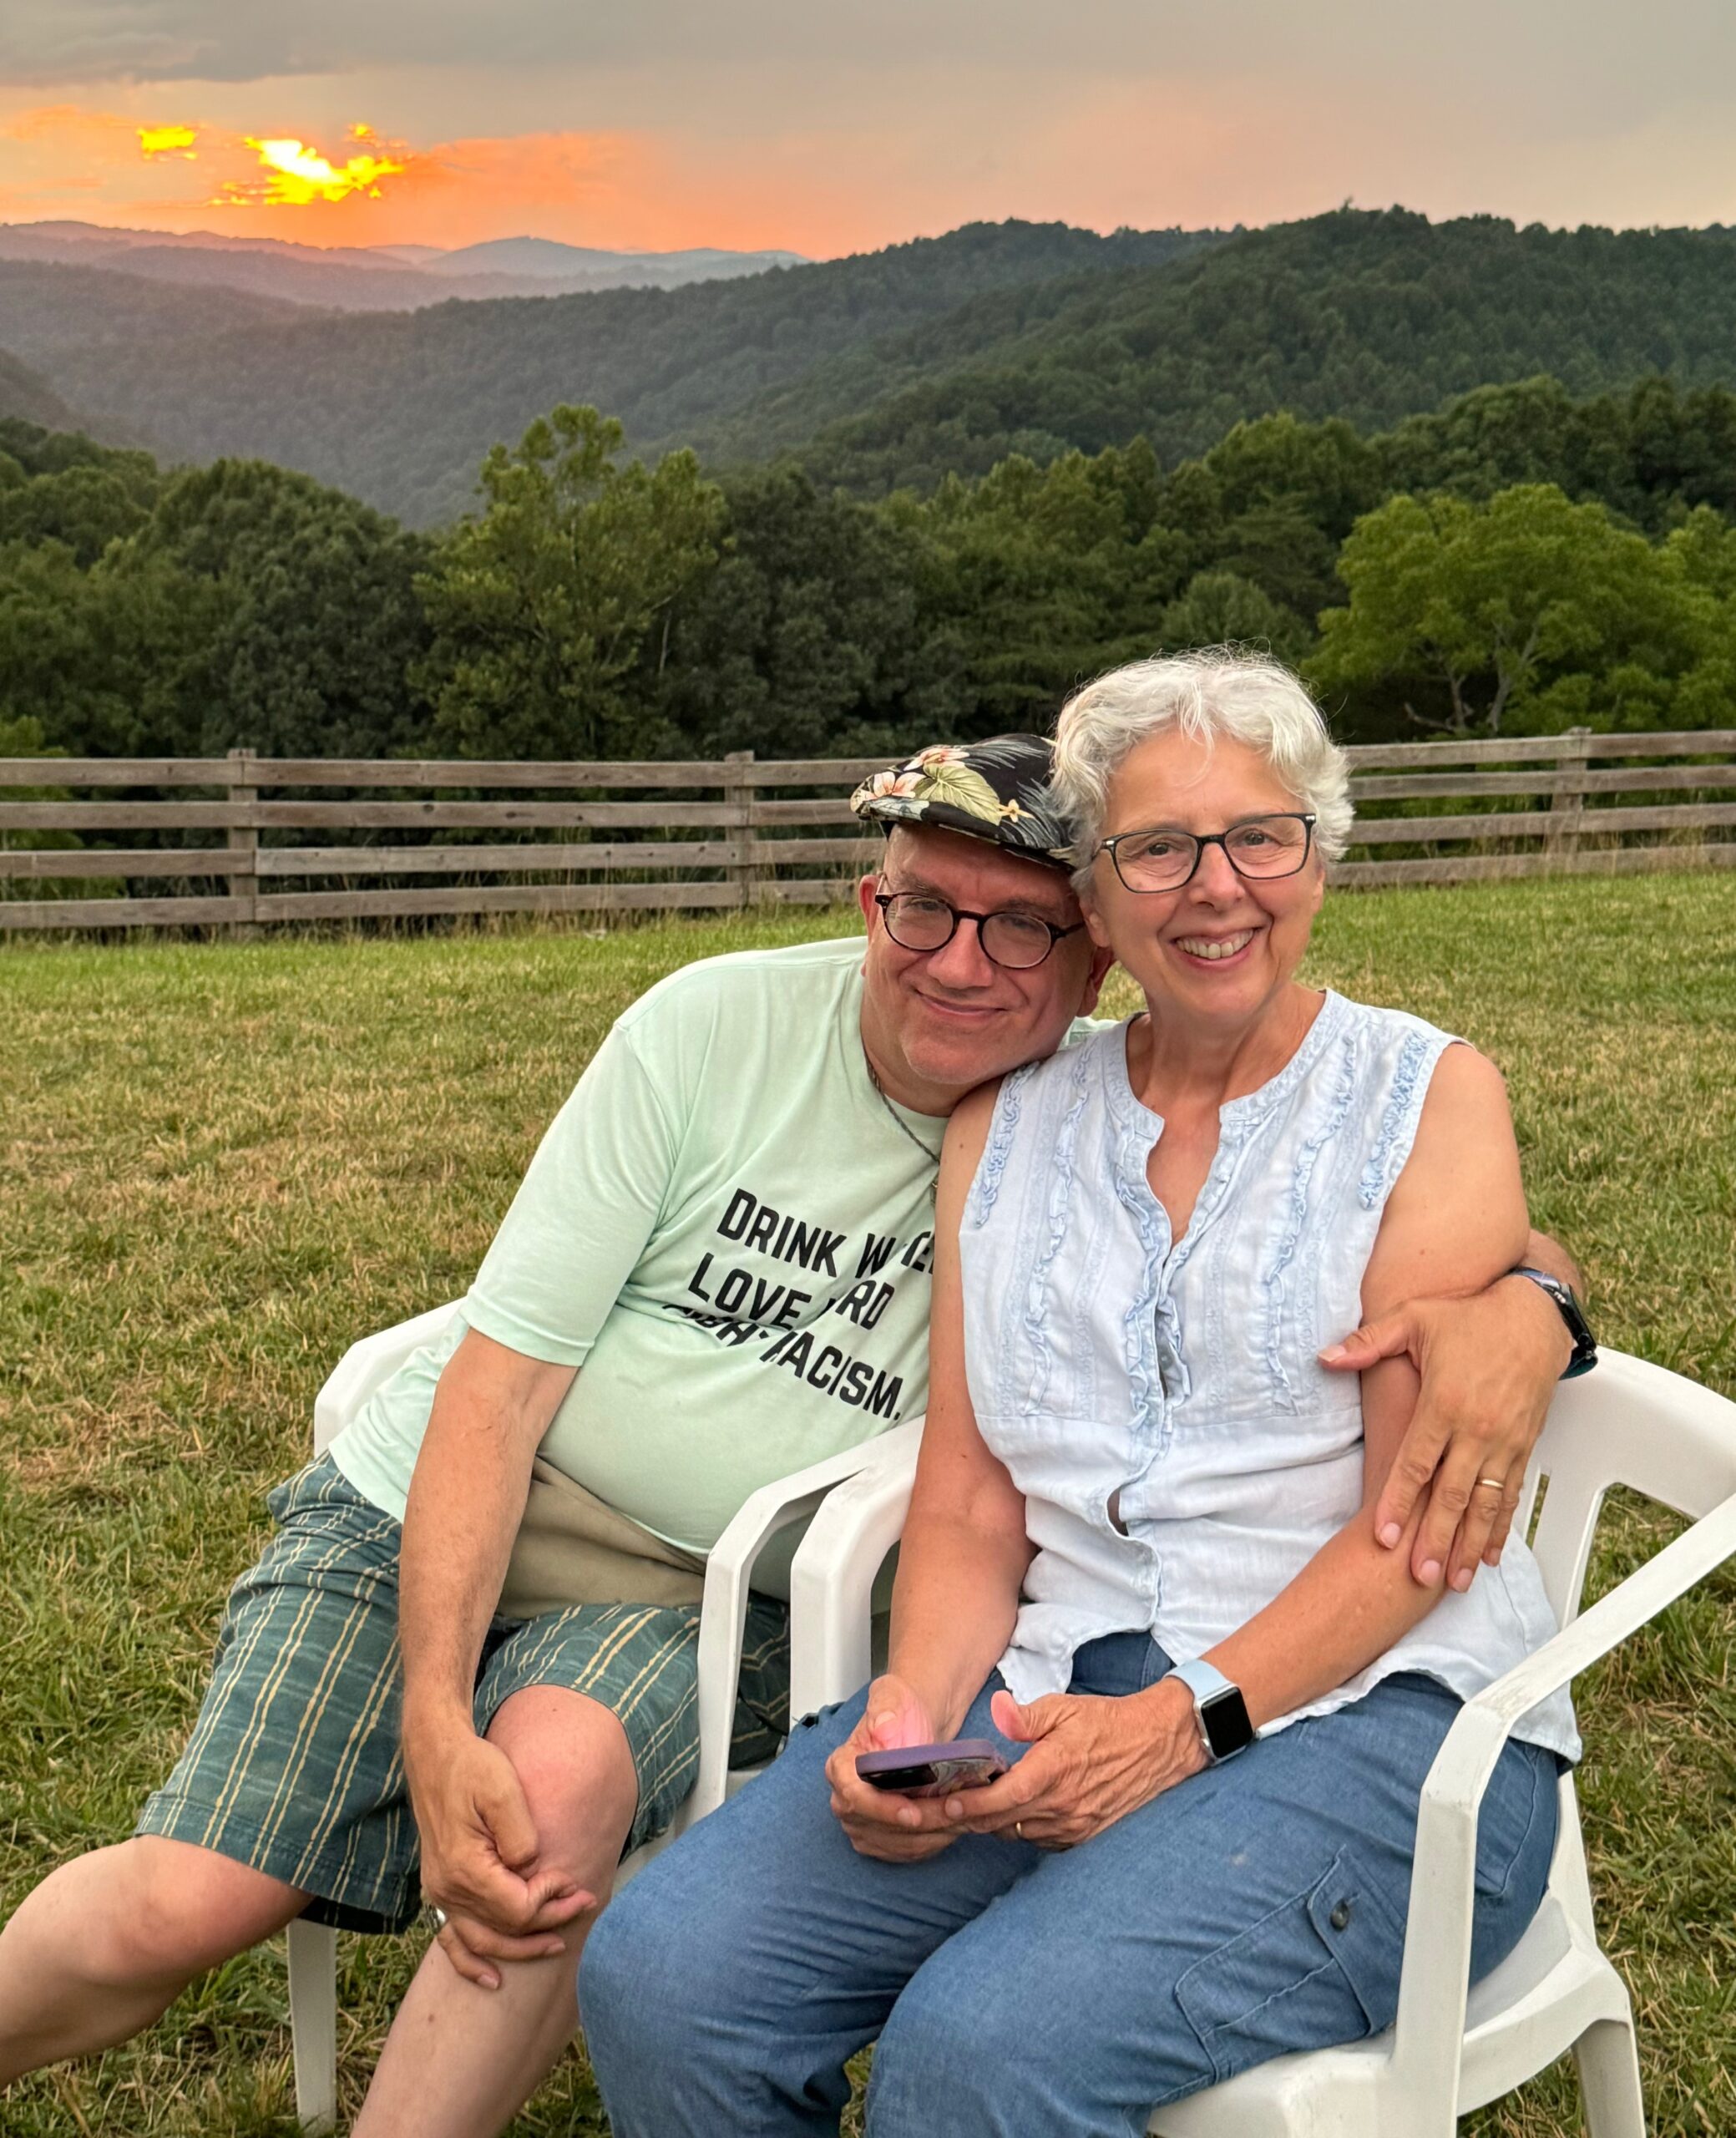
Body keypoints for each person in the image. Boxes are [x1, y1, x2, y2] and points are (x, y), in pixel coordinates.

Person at [0, 732, 1584, 2138]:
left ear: (1084, 949)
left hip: (717, 1593)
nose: (962, 962)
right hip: (472, 1502)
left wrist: (1538, 1303)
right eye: (922, 909)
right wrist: (445, 1710)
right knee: (189, 1906)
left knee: (569, 1853)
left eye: (1018, 924)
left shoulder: (1243, 1095)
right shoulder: (817, 1061)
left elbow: (1397, 1223)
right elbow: (521, 1390)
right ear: (873, 902)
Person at [580, 651, 1589, 2138]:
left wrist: (1185, 1724)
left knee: (986, 2052)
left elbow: (1411, 1533)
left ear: (1318, 861)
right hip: (1054, 1685)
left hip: (1382, 1732)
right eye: (1155, 851)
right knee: (667, 1975)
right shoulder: (1015, 1121)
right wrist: (912, 1716)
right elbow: (977, 1497)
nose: (1216, 886)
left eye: (1261, 835)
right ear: (1098, 910)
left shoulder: (1424, 1099)